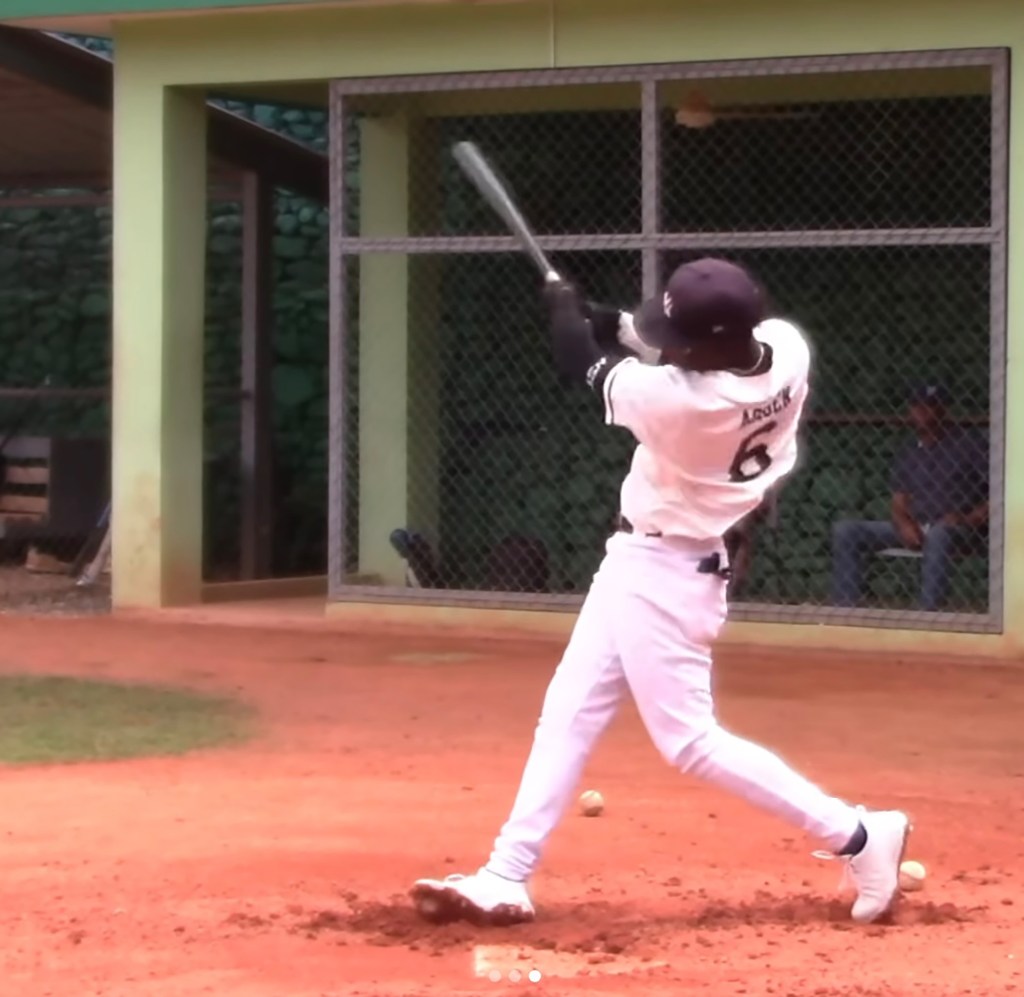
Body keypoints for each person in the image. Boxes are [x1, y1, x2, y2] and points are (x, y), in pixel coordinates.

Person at [410, 258, 910, 928]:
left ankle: (856, 834)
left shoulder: (686, 407)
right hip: (644, 558)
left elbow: (580, 367)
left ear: (707, 348)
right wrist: (612, 321)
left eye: (681, 340)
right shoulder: (786, 347)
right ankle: (506, 873)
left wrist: (564, 312)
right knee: (569, 710)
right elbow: (674, 351)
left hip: (668, 570)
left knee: (689, 740)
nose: (671, 346)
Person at [831, 385, 989, 611]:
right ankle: (845, 610)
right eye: (917, 407)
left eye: (930, 407)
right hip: (916, 527)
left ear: (943, 410)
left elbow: (998, 495)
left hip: (958, 530)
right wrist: (904, 524)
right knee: (846, 531)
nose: (922, 413)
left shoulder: (970, 445)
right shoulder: (909, 452)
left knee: (939, 535)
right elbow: (898, 502)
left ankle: (928, 617)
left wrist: (967, 520)